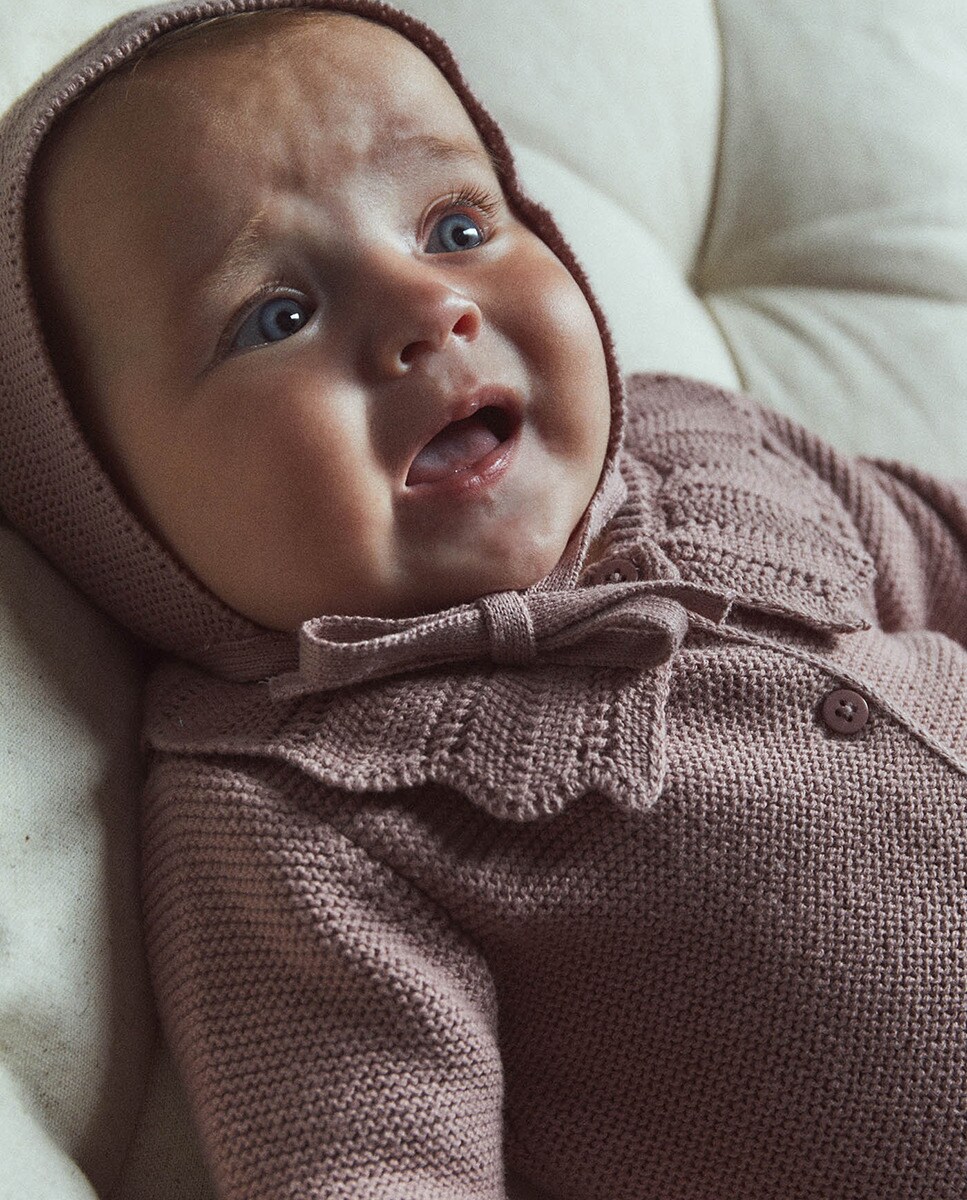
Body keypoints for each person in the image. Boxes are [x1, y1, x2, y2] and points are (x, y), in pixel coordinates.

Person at [1, 2, 965, 1197]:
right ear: (108, 504)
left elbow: (941, 553)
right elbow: (372, 1163)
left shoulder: (705, 440)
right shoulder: (294, 806)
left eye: (456, 224)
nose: (426, 310)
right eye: (276, 315)